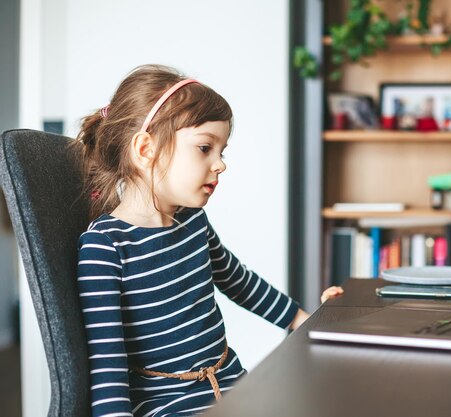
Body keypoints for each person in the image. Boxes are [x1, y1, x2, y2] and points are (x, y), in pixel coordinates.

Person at [75, 64, 343, 417]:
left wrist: (307, 322)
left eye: (222, 151)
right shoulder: (105, 247)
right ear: (145, 150)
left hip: (230, 387)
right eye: (205, 148)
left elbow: (239, 281)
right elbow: (107, 372)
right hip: (166, 406)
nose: (220, 165)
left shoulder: (192, 220)